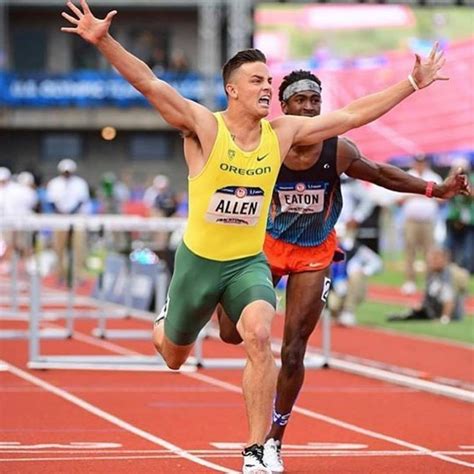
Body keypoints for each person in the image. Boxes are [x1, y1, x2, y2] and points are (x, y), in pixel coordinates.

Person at [61, 3, 453, 472]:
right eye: (257, 82)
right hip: (201, 261)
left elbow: (351, 116)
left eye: (270, 81)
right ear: (232, 90)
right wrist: (103, 40)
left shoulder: (283, 133)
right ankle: (167, 321)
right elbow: (149, 82)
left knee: (261, 336)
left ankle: (255, 451)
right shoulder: (205, 126)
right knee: (172, 356)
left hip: (250, 260)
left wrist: (412, 84)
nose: (268, 87)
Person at [217, 70, 470, 473]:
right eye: (300, 100)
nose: (309, 107)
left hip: (315, 251)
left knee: (294, 348)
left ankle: (273, 441)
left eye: (315, 101)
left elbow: (382, 174)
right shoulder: (265, 145)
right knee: (230, 333)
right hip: (265, 246)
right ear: (285, 107)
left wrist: (434, 189)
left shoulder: (338, 151)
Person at [387, 246, 469, 323]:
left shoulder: (448, 275)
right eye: (431, 258)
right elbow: (428, 295)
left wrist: (445, 318)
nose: (432, 261)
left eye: (436, 258)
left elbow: (449, 299)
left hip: (451, 315)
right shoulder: (432, 274)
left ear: (444, 259)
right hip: (433, 310)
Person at [399, 153, 443, 294]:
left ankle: (430, 282)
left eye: (422, 162)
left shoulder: (434, 177)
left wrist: (419, 195)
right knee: (409, 251)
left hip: (428, 221)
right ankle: (410, 281)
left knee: (429, 252)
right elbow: (398, 199)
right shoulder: (407, 175)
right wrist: (421, 195)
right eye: (418, 162)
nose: (420, 165)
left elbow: (442, 198)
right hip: (411, 220)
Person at [46, 158, 90, 285]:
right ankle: (60, 274)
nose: (66, 174)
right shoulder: (54, 183)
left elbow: (82, 200)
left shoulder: (80, 183)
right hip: (60, 219)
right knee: (59, 247)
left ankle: (78, 274)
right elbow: (51, 201)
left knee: (79, 247)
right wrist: (61, 213)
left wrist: (71, 213)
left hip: (76, 218)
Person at [445, 158, 474, 273]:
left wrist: (465, 187)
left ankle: (465, 272)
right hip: (453, 219)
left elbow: (471, 195)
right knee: (450, 247)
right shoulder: (450, 179)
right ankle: (449, 271)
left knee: (468, 248)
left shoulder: (471, 179)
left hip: (469, 220)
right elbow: (444, 196)